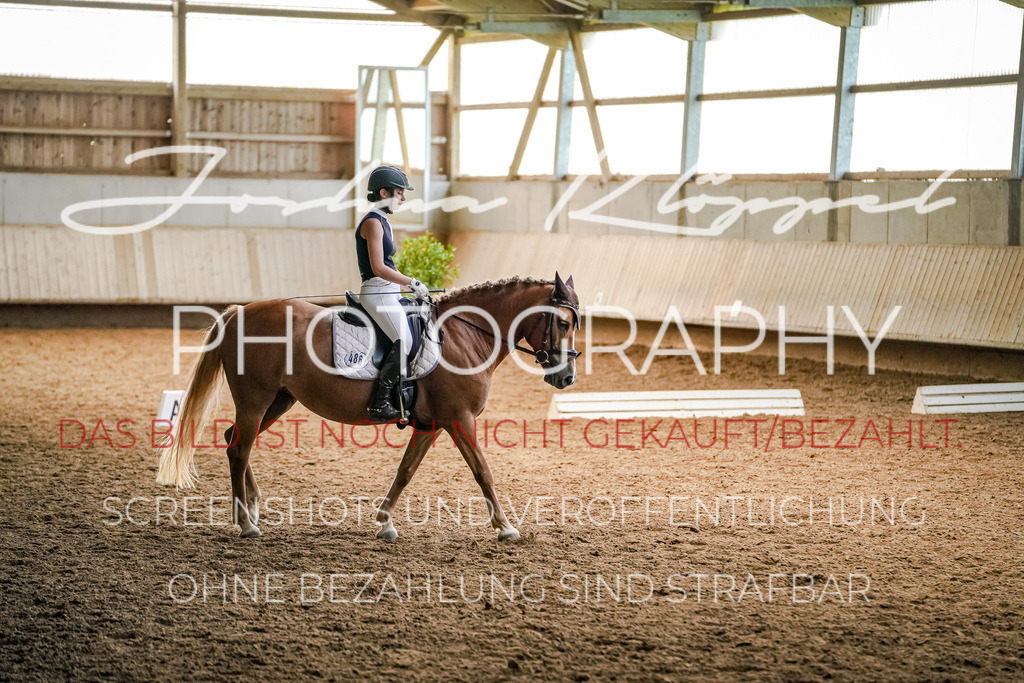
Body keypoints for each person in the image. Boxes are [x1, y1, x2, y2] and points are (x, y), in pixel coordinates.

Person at [356, 165, 430, 422]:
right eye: (399, 192)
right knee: (405, 341)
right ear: (384, 192)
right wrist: (413, 282)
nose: (403, 198)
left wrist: (409, 287)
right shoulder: (373, 222)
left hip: (389, 292)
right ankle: (380, 403)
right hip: (377, 292)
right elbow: (379, 267)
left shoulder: (383, 221)